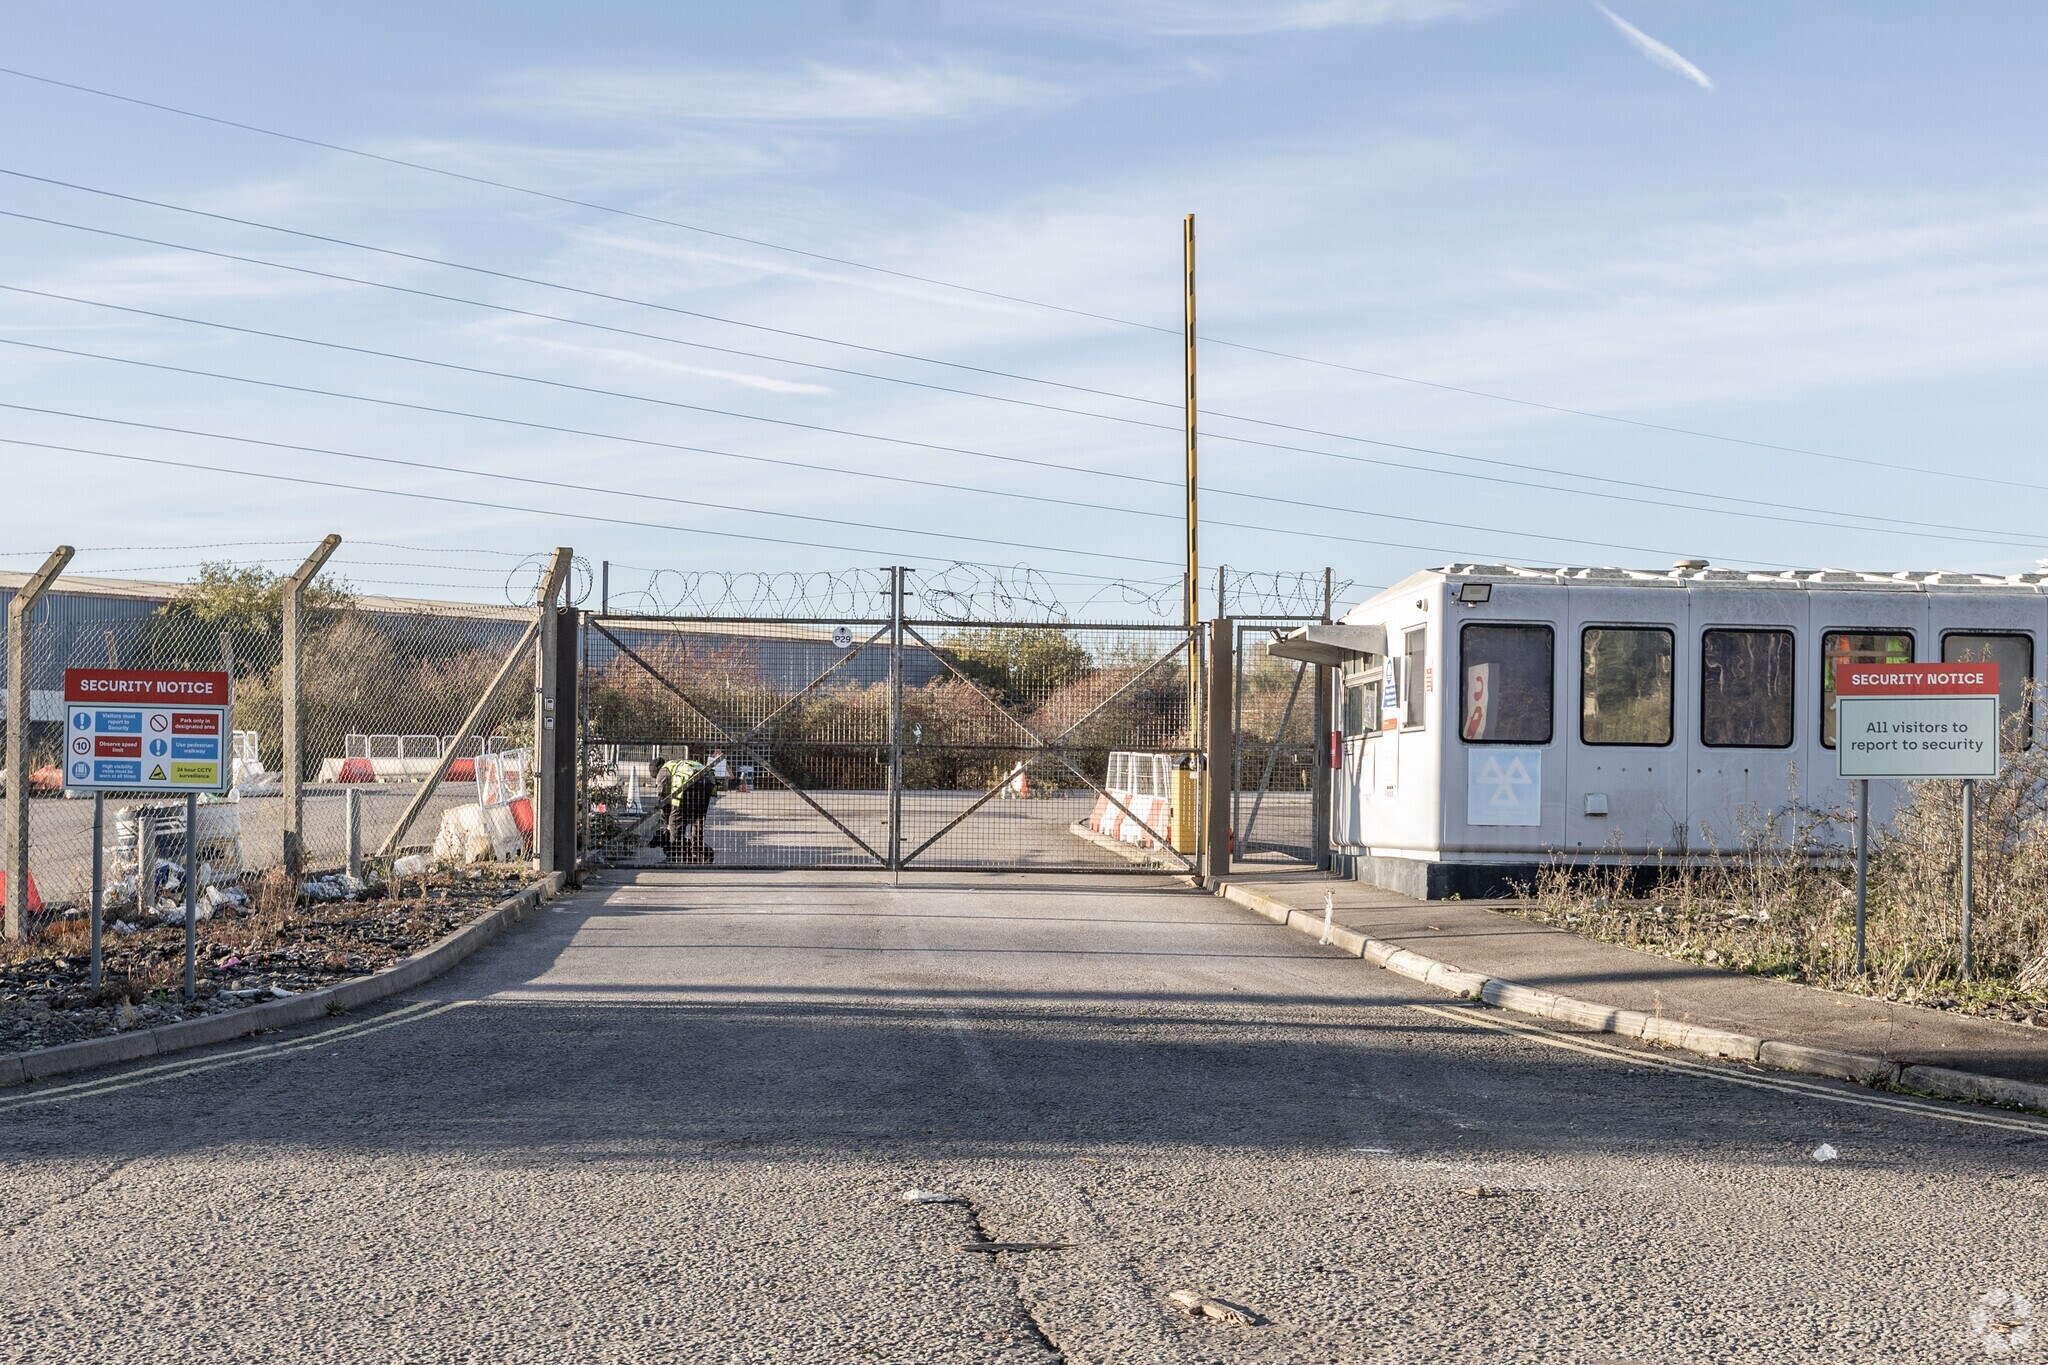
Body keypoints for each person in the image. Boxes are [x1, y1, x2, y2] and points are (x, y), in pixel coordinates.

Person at [656, 752, 718, 863]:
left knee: (675, 820)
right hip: (708, 781)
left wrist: (667, 820)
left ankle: (675, 856)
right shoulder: (679, 763)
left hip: (689, 783)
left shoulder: (663, 770)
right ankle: (697, 853)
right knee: (698, 819)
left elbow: (662, 798)